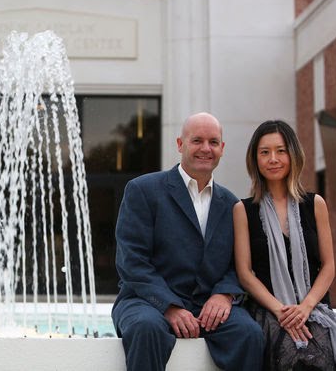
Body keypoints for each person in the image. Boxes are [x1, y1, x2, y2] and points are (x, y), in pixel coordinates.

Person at [112, 112, 264, 371]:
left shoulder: (232, 204)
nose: (206, 148)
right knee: (146, 328)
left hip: (207, 304)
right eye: (197, 141)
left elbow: (238, 263)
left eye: (213, 142)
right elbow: (132, 262)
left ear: (222, 149)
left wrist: (225, 294)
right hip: (146, 301)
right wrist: (170, 307)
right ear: (180, 144)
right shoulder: (142, 190)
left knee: (249, 333)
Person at [233, 120, 336, 370]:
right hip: (269, 308)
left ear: (293, 155)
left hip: (313, 305)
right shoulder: (243, 210)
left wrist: (305, 307)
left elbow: (328, 266)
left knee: (319, 351)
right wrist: (281, 311)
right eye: (264, 152)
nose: (273, 159)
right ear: (255, 160)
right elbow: (245, 273)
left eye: (280, 150)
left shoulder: (315, 204)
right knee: (283, 351)